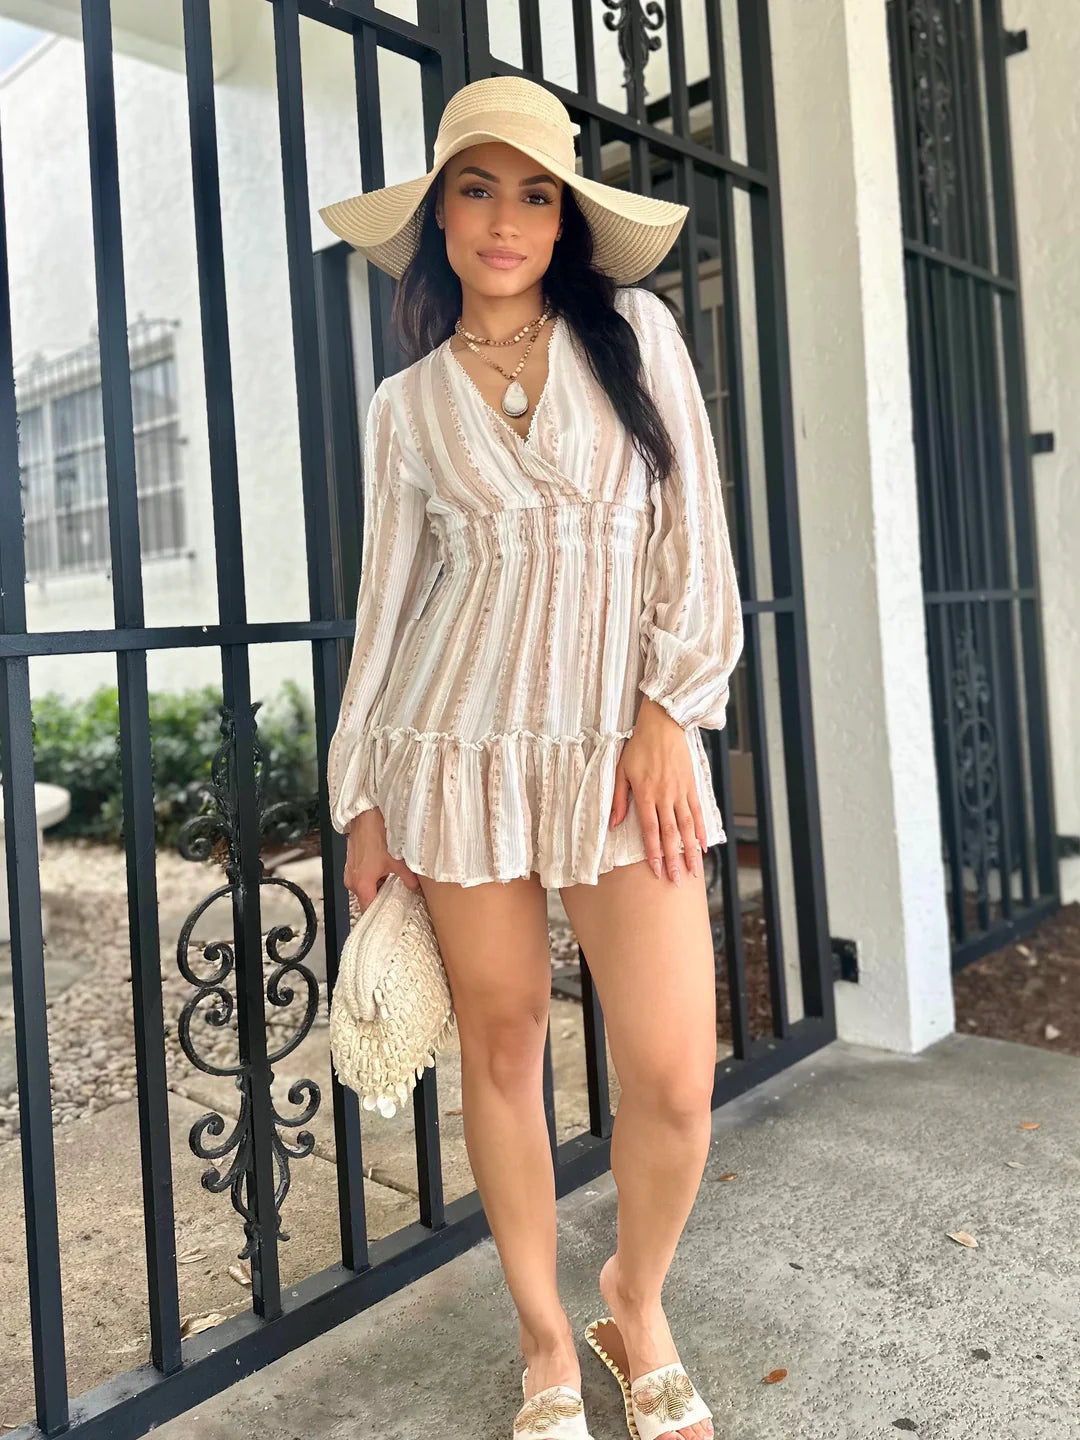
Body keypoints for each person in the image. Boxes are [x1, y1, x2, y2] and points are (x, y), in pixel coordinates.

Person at [319, 73, 742, 1440]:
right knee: (502, 1050)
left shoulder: (639, 340)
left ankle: (633, 1295)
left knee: (673, 1072)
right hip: (454, 755)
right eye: (477, 189)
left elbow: (694, 538)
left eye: (535, 194)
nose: (505, 219)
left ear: (563, 222)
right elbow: (387, 612)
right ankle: (546, 1340)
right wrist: (364, 797)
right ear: (440, 219)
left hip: (623, 755)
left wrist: (671, 712)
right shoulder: (404, 410)